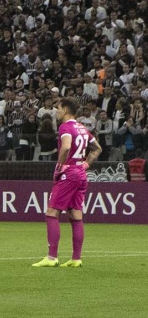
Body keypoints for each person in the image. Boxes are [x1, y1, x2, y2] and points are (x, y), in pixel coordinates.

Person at [32, 97, 102, 268]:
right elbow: (97, 148)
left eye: (58, 108)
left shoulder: (66, 127)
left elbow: (66, 146)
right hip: (80, 173)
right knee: (75, 215)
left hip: (69, 173)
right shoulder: (83, 128)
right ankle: (76, 258)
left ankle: (51, 257)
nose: (56, 111)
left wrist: (60, 167)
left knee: (52, 213)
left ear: (65, 110)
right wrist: (86, 163)